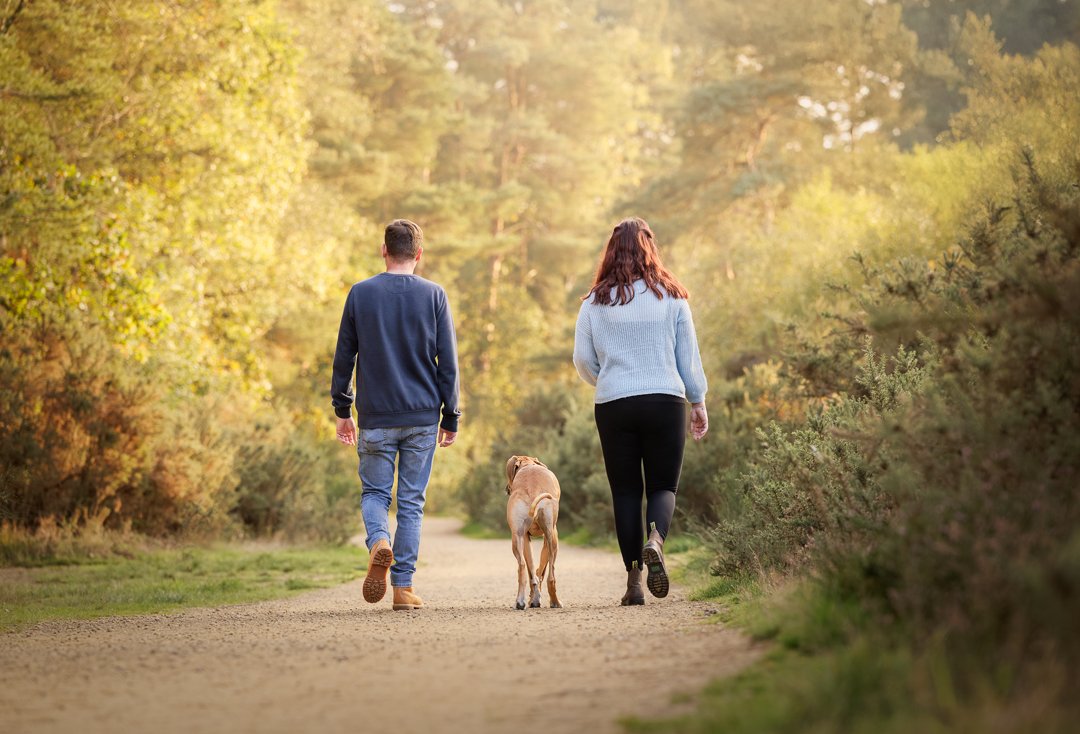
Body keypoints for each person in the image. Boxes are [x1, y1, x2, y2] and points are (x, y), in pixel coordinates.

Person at [572, 217, 708, 606]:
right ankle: (656, 540)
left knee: (626, 492)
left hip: (614, 404)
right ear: (651, 249)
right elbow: (688, 358)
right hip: (666, 401)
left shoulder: (595, 302)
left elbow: (582, 360)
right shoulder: (673, 297)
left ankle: (633, 583)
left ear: (611, 252)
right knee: (663, 486)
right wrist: (697, 400)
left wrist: (608, 379)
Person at [331, 219, 460, 611]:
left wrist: (342, 409)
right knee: (411, 503)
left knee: (374, 493)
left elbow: (344, 357)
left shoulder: (360, 293)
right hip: (422, 416)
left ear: (384, 251)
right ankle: (403, 589)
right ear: (419, 254)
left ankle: (378, 543)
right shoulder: (435, 295)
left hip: (375, 416)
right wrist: (450, 415)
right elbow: (447, 362)